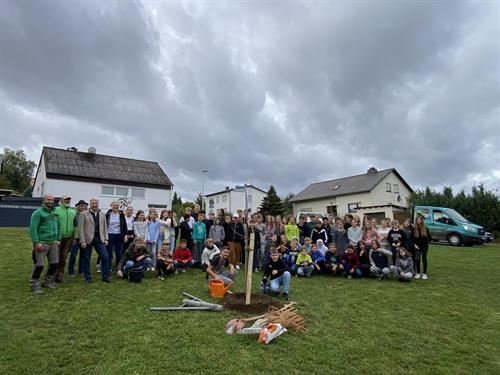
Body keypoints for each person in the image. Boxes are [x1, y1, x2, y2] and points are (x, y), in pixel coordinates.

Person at [28, 194, 60, 294]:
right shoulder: (38, 213)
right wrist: (36, 242)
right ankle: (34, 285)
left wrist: (58, 239)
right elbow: (33, 228)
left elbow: (58, 227)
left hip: (54, 243)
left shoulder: (55, 212)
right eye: (48, 199)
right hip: (42, 243)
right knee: (39, 265)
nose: (50, 201)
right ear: (43, 200)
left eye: (52, 199)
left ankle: (47, 282)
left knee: (54, 264)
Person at [79, 198, 110, 284]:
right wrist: (82, 241)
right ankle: (87, 278)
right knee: (86, 258)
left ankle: (105, 277)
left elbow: (105, 227)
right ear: (90, 204)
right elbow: (81, 229)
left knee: (105, 257)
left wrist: (106, 238)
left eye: (96, 203)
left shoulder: (102, 214)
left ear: (98, 204)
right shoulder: (83, 214)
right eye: (93, 203)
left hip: (99, 238)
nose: (95, 205)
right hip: (88, 238)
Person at [54, 194, 77, 282]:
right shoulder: (56, 210)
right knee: (55, 257)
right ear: (61, 200)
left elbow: (75, 225)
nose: (67, 201)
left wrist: (74, 237)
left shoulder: (73, 211)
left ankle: (59, 276)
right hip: (58, 238)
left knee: (63, 257)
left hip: (69, 238)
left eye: (69, 200)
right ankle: (51, 276)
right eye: (65, 199)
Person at [106, 201, 127, 273]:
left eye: (117, 205)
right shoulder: (108, 214)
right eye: (114, 205)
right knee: (109, 252)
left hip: (119, 235)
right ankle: (108, 267)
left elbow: (124, 225)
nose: (116, 207)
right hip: (110, 235)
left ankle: (118, 268)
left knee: (119, 253)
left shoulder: (121, 214)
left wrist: (125, 235)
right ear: (111, 206)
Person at [68, 200, 88, 276]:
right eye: (81, 206)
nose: (83, 207)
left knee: (83, 255)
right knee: (73, 254)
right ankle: (71, 270)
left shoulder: (87, 215)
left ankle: (81, 270)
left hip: (84, 238)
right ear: (78, 207)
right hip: (76, 238)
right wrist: (74, 238)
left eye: (84, 206)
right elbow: (74, 227)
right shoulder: (75, 215)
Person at [413, 215, 432, 280]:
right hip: (417, 247)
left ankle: (424, 273)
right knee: (417, 259)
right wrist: (414, 244)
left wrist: (422, 244)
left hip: (424, 247)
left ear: (422, 220)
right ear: (416, 220)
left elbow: (429, 239)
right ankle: (418, 273)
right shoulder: (414, 228)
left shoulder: (426, 228)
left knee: (424, 259)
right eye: (417, 219)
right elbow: (412, 238)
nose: (419, 221)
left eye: (420, 219)